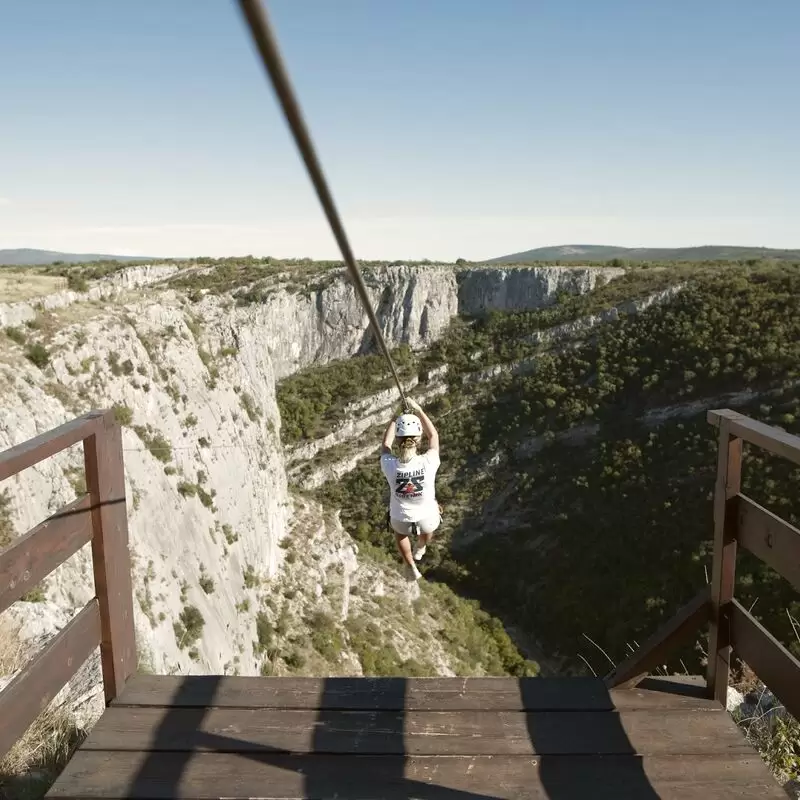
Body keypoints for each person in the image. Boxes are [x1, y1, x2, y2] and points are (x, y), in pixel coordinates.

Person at [379, 397, 441, 581]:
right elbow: (434, 436)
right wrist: (418, 410)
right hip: (427, 519)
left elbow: (385, 445)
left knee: (400, 534)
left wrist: (395, 416)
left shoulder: (389, 464)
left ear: (399, 440)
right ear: (418, 438)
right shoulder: (429, 461)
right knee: (430, 520)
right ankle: (422, 544)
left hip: (400, 519)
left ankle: (410, 564)